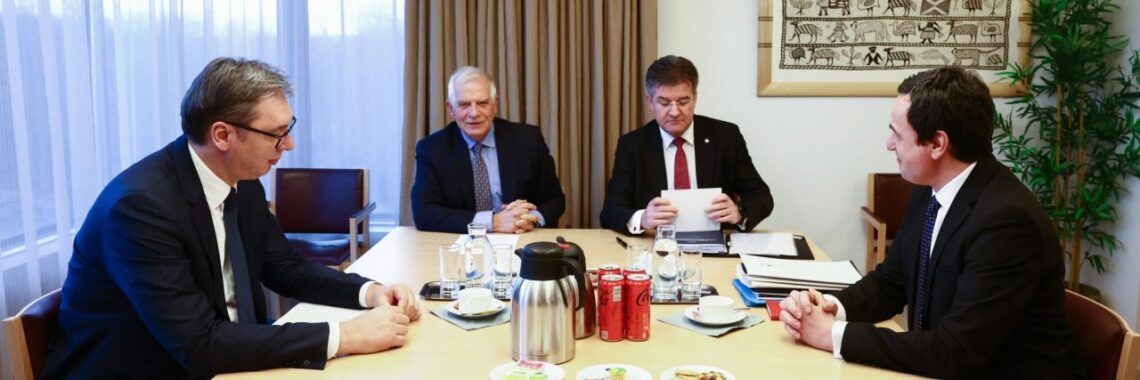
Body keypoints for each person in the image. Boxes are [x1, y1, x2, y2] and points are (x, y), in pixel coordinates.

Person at [41, 58, 421, 379]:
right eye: (276, 134)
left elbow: (288, 269)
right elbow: (198, 344)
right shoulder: (141, 209)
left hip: (225, 362)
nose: (289, 145)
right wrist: (345, 336)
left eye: (289, 129)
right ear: (222, 135)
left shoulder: (243, 183)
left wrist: (369, 292)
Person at [778, 67, 1085, 378]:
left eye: (897, 134)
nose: (889, 144)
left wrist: (832, 335)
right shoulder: (930, 191)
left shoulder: (1007, 222)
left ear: (938, 143)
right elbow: (891, 283)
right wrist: (832, 306)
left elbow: (956, 351)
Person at [600, 55, 774, 235]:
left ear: (695, 98)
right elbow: (610, 212)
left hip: (715, 245)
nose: (674, 112)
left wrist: (738, 213)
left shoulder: (726, 136)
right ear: (650, 101)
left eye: (683, 102)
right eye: (664, 102)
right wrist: (642, 219)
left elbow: (761, 197)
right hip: (656, 246)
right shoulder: (633, 145)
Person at [412, 66, 566, 234]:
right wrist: (492, 222)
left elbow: (555, 200)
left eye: (482, 103)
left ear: (495, 105)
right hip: (462, 246)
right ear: (451, 109)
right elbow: (424, 213)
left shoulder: (528, 139)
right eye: (464, 105)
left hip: (521, 239)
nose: (474, 113)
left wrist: (531, 219)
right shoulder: (432, 149)